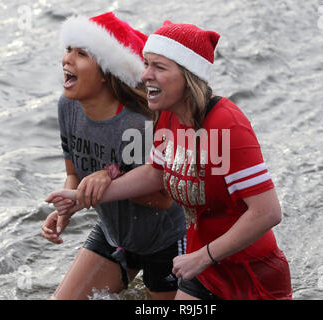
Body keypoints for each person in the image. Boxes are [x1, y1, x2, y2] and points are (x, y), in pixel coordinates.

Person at [47, 20, 292, 300]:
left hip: (249, 274)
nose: (145, 74)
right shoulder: (168, 114)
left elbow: (267, 212)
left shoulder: (225, 124)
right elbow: (155, 173)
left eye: (158, 67)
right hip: (201, 269)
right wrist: (84, 196)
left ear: (188, 77)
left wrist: (204, 256)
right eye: (147, 63)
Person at [41, 13, 186, 300]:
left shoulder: (137, 124)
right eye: (68, 49)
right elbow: (74, 173)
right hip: (115, 235)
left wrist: (110, 176)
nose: (67, 59)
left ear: (107, 73)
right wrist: (68, 203)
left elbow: (162, 199)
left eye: (81, 53)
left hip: (166, 240)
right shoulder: (67, 108)